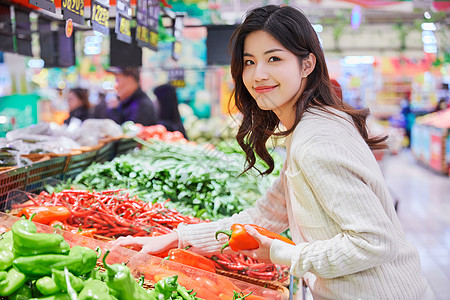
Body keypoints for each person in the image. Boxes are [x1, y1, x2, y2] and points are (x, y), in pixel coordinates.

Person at [113, 5, 433, 299]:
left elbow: (373, 242)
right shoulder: (310, 126)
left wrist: (282, 254)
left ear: (307, 63)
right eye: (249, 62)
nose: (258, 75)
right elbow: (262, 216)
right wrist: (173, 239)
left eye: (274, 59)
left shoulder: (315, 141)